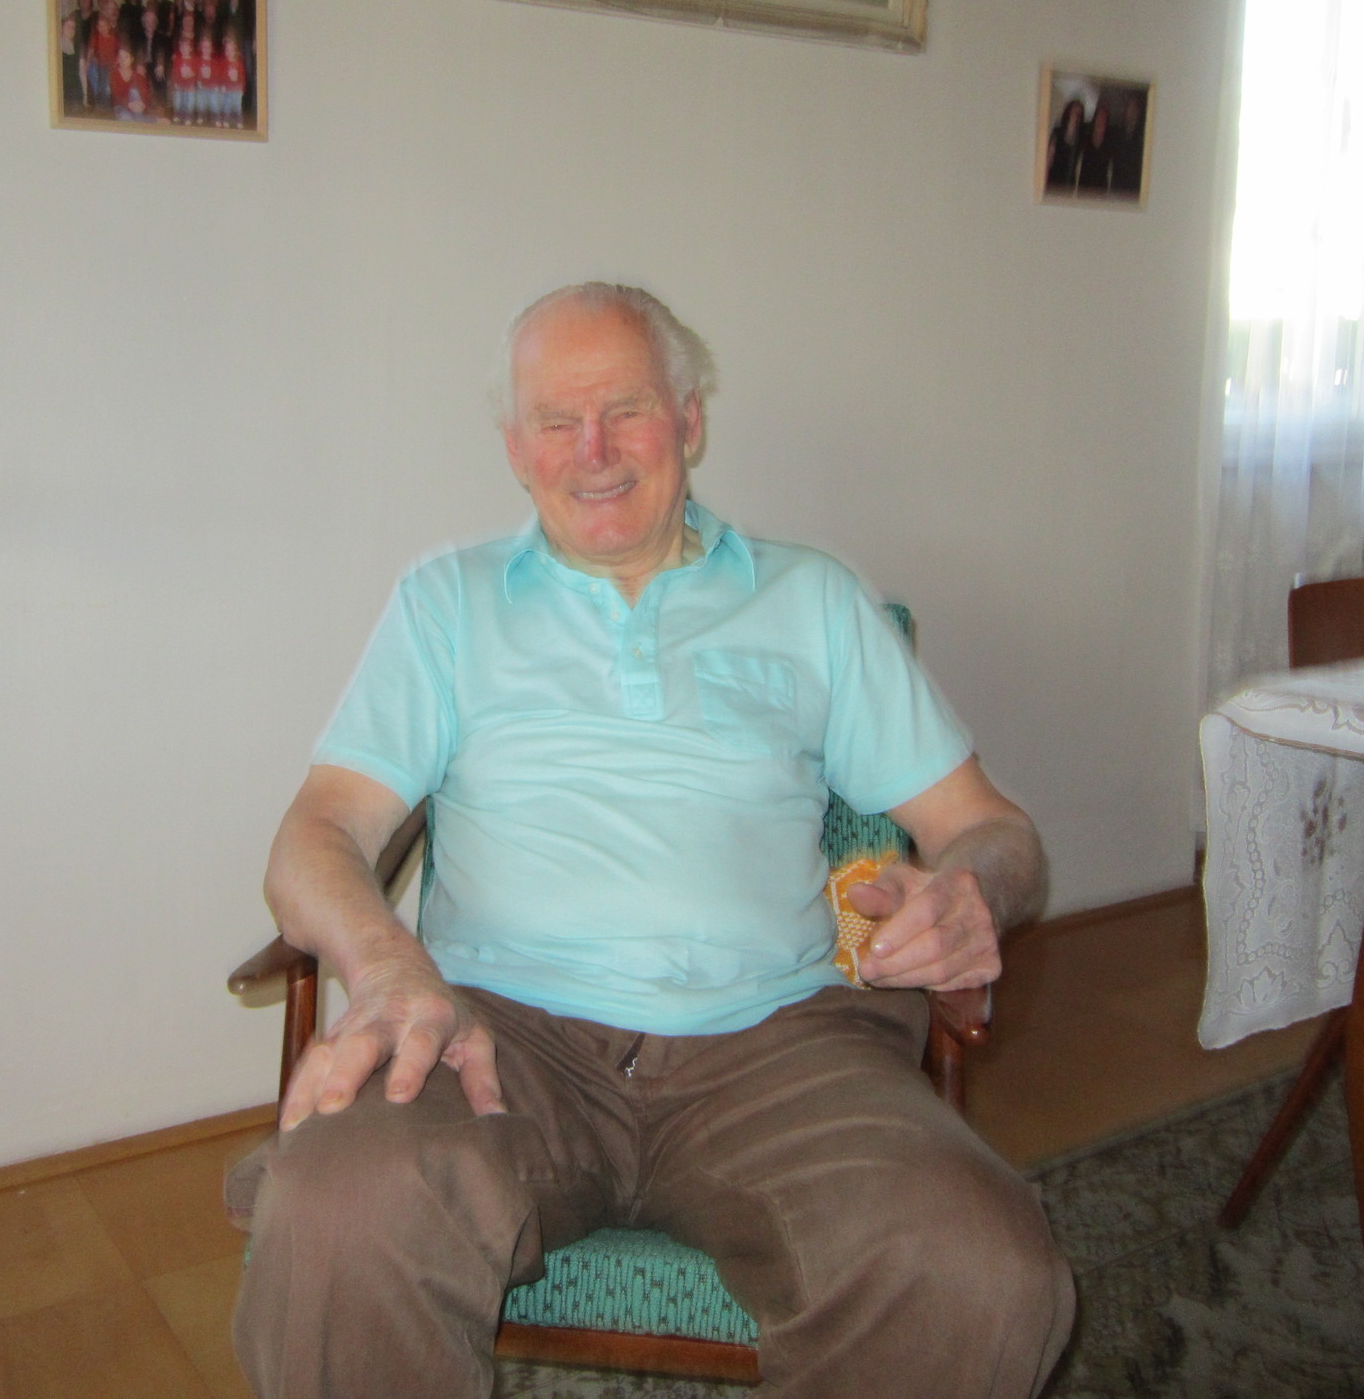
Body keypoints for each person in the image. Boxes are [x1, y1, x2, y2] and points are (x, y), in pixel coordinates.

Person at [227, 284, 1075, 1399]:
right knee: (340, 1209)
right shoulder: (445, 605)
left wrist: (974, 890)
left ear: (688, 419)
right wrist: (388, 969)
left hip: (778, 1047)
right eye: (555, 421)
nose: (592, 451)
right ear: (514, 448)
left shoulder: (814, 601)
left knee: (982, 1273)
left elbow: (993, 831)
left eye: (624, 410)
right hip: (499, 1039)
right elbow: (314, 835)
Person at [1045, 96, 1084, 191]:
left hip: (1069, 182)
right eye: (1074, 112)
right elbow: (1049, 158)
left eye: (1078, 114)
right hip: (1054, 179)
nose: (1076, 116)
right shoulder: (1057, 133)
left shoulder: (1081, 137)